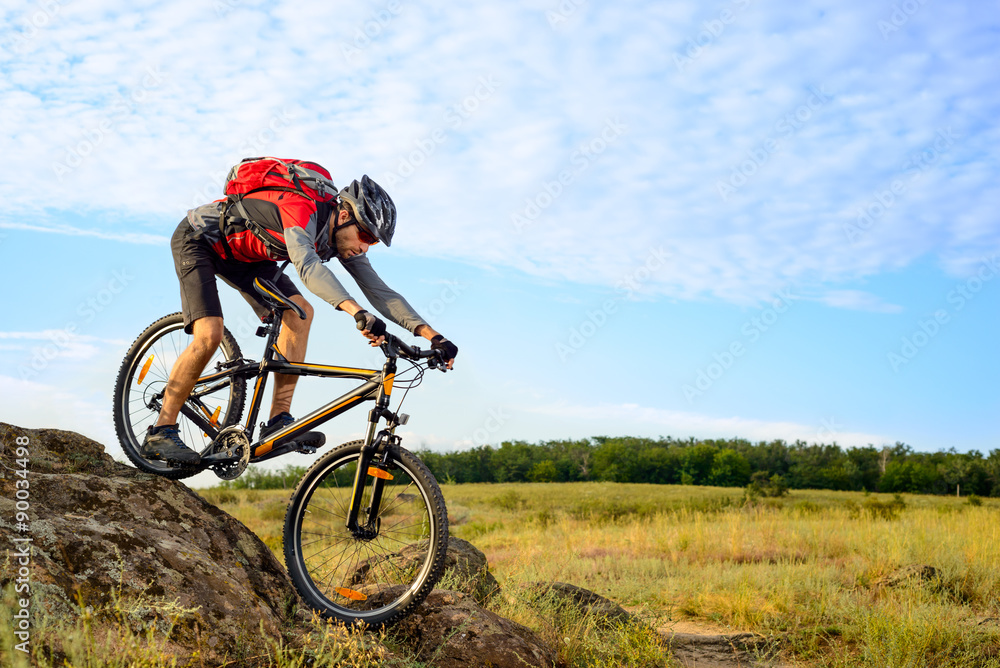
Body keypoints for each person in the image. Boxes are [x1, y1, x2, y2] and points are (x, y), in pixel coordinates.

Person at [141, 163, 458, 465]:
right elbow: (308, 266)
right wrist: (355, 312)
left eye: (373, 241)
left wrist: (434, 336)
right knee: (210, 333)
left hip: (248, 258)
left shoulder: (342, 239)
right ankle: (160, 431)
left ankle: (278, 421)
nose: (366, 247)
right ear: (344, 214)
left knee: (300, 314)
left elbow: (379, 291)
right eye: (366, 236)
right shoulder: (301, 209)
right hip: (201, 240)